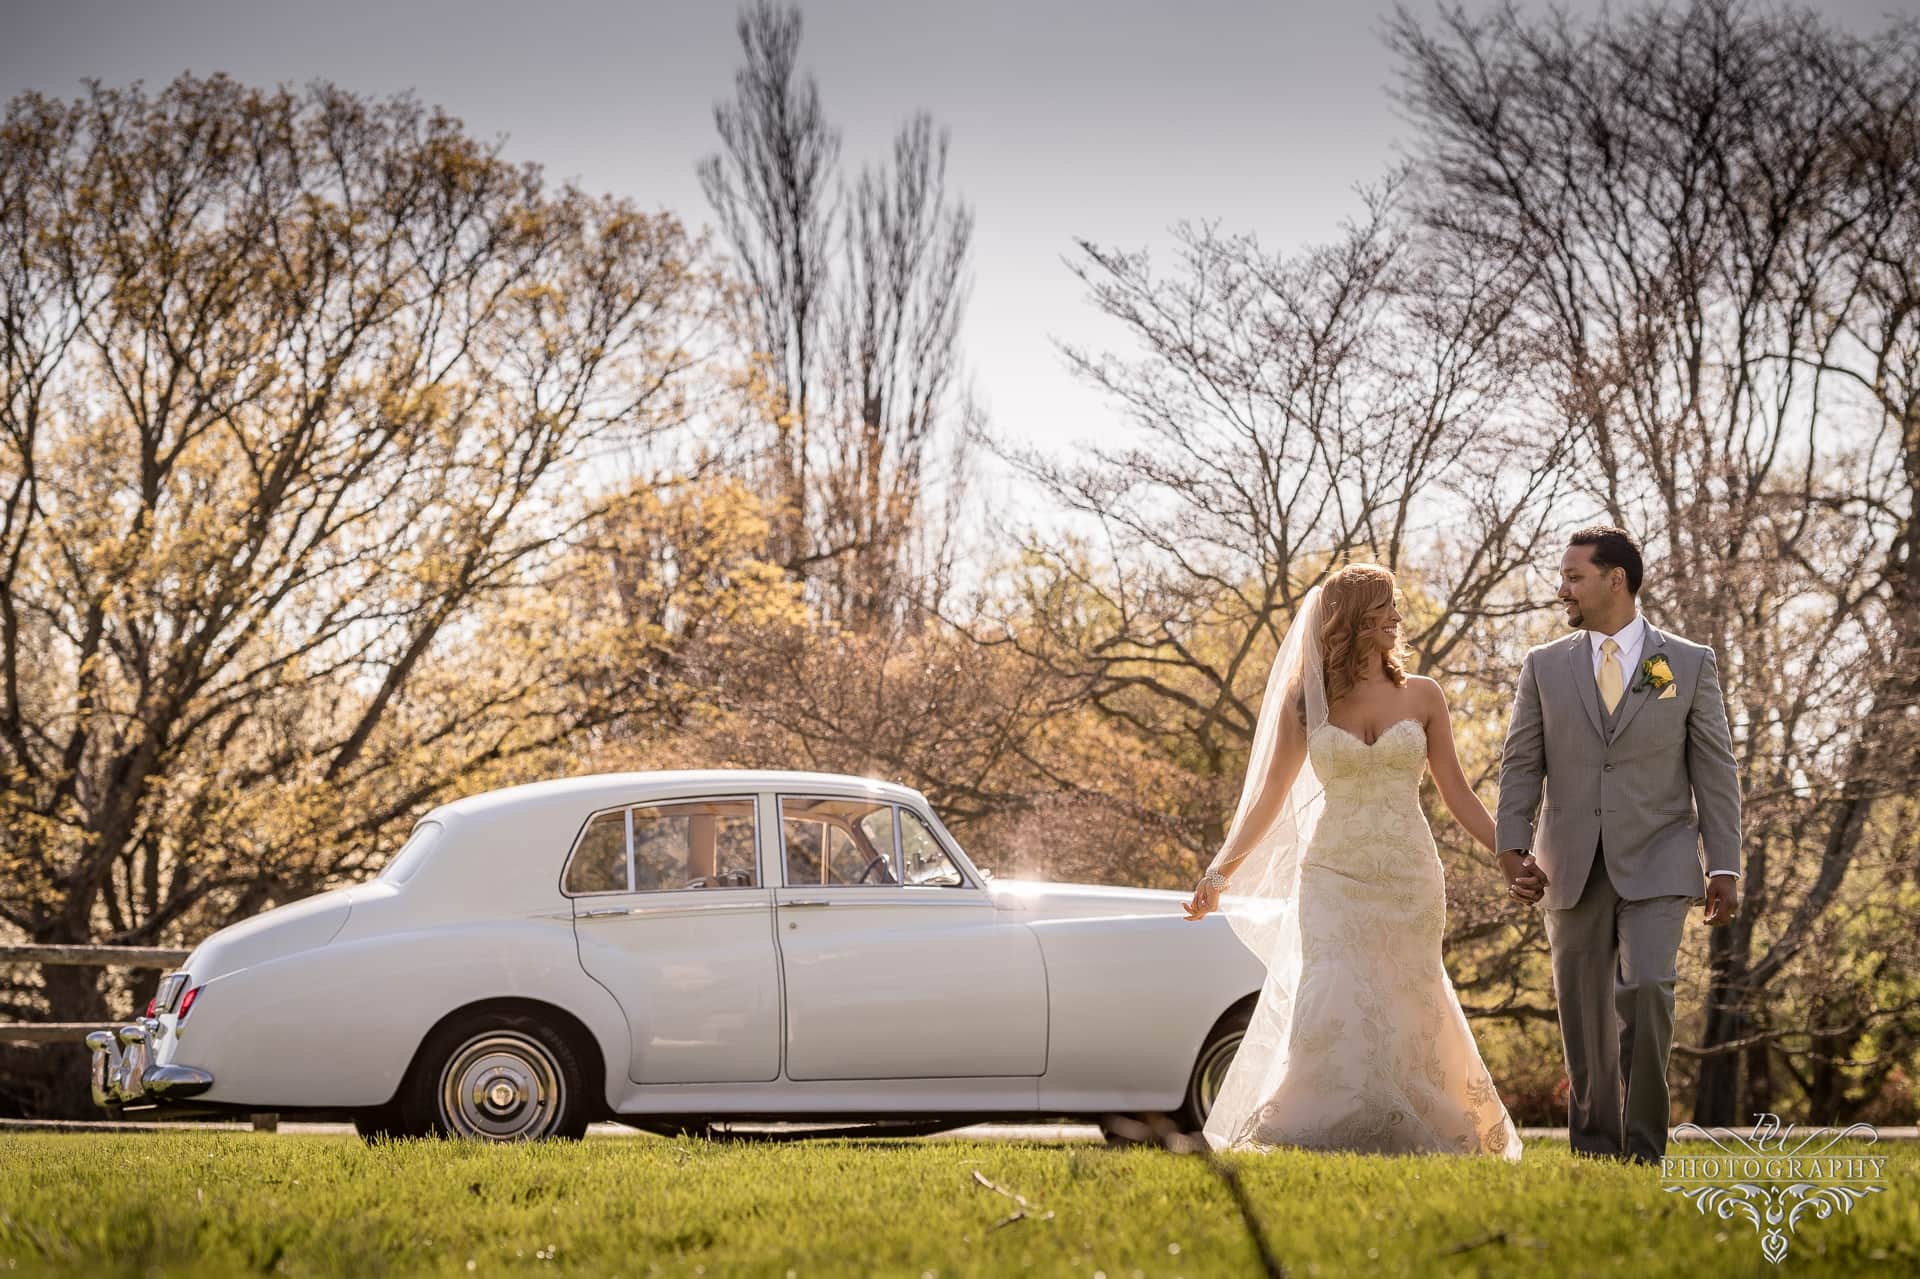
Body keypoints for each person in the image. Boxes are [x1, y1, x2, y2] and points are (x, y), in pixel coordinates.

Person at [1183, 563, 1521, 1158]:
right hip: (1331, 873)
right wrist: (1219, 873)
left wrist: (1509, 856)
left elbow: (1458, 793)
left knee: (1410, 993)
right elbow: (1269, 799)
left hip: (1408, 873)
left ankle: (1416, 1125)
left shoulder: (1424, 695)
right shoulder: (1304, 702)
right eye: (1385, 605)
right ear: (1354, 617)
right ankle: (1320, 1127)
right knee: (1331, 988)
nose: (1397, 616)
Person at [1496, 527, 1741, 1165]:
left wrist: (1725, 863)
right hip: (1568, 862)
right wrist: (1511, 847)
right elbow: (1522, 763)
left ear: (1616, 580)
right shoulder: (1544, 665)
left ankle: (1645, 1149)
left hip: (1660, 856)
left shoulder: (1687, 663)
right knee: (1583, 1012)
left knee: (1650, 989)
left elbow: (1715, 770)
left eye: (1574, 576)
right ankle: (1596, 1150)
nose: (1562, 589)